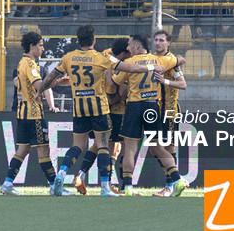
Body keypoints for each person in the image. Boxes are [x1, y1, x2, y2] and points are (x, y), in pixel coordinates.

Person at [38, 25, 164, 197]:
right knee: (103, 145)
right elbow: (130, 68)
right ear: (94, 40)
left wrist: (39, 91)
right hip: (99, 108)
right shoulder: (102, 58)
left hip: (79, 108)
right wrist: (151, 68)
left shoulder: (68, 57)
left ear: (78, 40)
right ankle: (105, 187)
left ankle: (61, 172)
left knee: (77, 146)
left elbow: (51, 77)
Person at [112, 35, 186, 197]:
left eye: (130, 45)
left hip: (134, 106)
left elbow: (115, 82)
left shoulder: (129, 63)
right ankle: (177, 179)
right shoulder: (160, 60)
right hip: (152, 106)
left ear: (137, 46)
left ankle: (128, 187)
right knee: (157, 146)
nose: (128, 48)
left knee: (130, 148)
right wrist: (177, 61)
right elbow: (179, 60)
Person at [0, 31, 68, 196]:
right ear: (32, 46)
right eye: (40, 45)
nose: (43, 48)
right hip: (34, 114)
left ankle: (7, 183)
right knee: (44, 151)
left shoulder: (21, 63)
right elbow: (39, 86)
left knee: (22, 150)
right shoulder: (30, 65)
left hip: (22, 114)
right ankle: (54, 186)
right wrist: (57, 82)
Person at [71, 37, 131, 195]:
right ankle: (110, 184)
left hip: (96, 107)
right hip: (113, 110)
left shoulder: (105, 54)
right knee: (111, 147)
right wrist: (125, 91)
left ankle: (81, 175)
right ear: (125, 51)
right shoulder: (120, 64)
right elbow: (112, 93)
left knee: (101, 145)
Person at [152, 30, 188, 197]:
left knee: (167, 147)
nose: (158, 43)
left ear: (168, 43)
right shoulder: (153, 60)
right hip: (155, 111)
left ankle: (170, 186)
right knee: (155, 149)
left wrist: (165, 81)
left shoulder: (172, 62)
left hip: (170, 110)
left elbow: (183, 84)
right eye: (156, 40)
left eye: (161, 40)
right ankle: (175, 180)